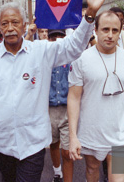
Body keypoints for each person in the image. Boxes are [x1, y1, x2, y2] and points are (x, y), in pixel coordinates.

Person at [0, 0, 111, 182]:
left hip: (33, 144)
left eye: (15, 23)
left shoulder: (41, 52)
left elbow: (73, 47)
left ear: (24, 25)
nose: (10, 28)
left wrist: (90, 12)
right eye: (5, 24)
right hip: (2, 144)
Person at [68, 10, 124, 182]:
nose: (110, 35)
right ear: (96, 29)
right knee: (92, 170)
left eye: (115, 30)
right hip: (91, 132)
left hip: (122, 134)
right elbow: (74, 98)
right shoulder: (82, 59)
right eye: (105, 29)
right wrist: (73, 136)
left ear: (120, 31)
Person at [47, 29, 73, 182]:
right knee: (53, 143)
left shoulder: (72, 58)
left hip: (67, 109)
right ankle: (57, 172)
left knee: (67, 149)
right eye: (53, 37)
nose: (57, 40)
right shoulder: (44, 59)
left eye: (60, 37)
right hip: (49, 110)